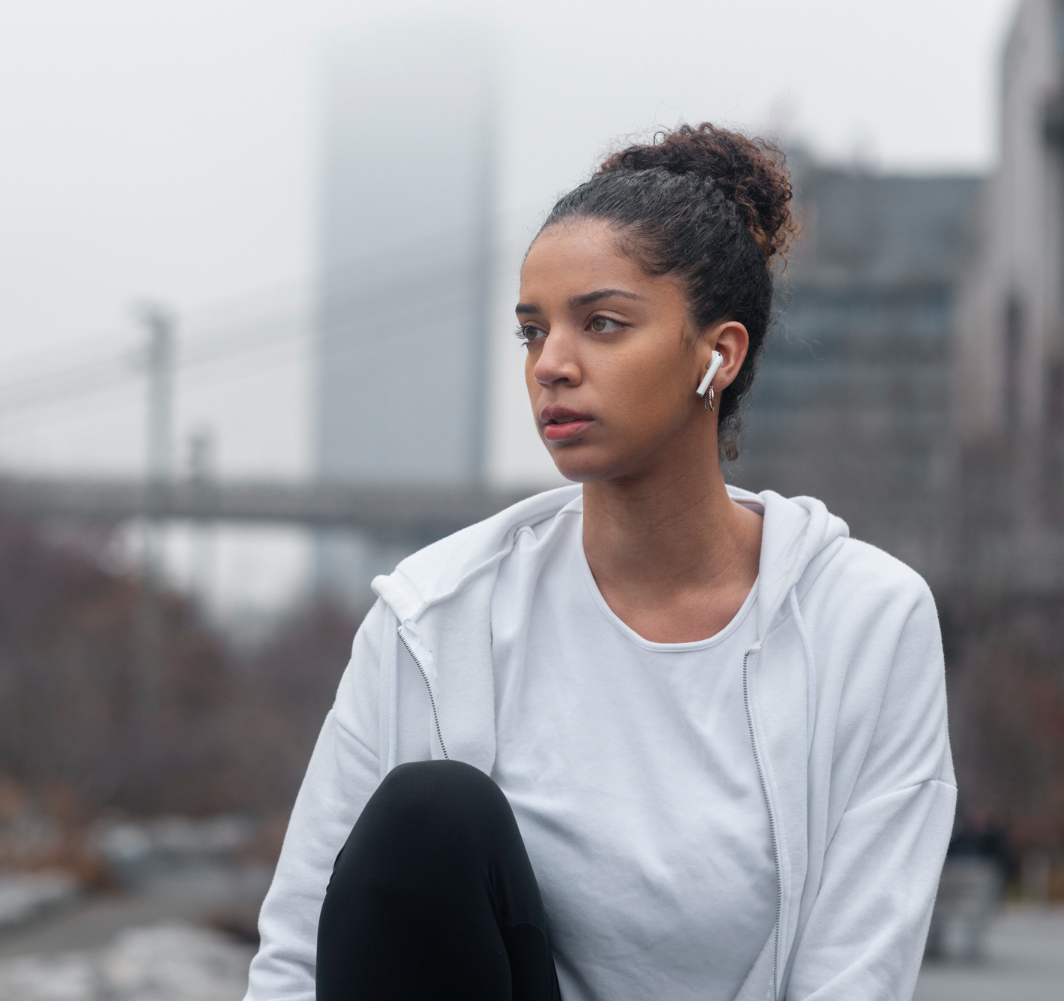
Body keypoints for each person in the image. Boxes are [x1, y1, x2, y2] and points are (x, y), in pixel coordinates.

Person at [243, 124, 956, 1001]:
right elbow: (298, 962)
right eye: (532, 333)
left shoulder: (867, 621)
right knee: (430, 817)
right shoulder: (436, 615)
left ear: (718, 353)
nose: (552, 365)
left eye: (603, 324)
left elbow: (857, 975)